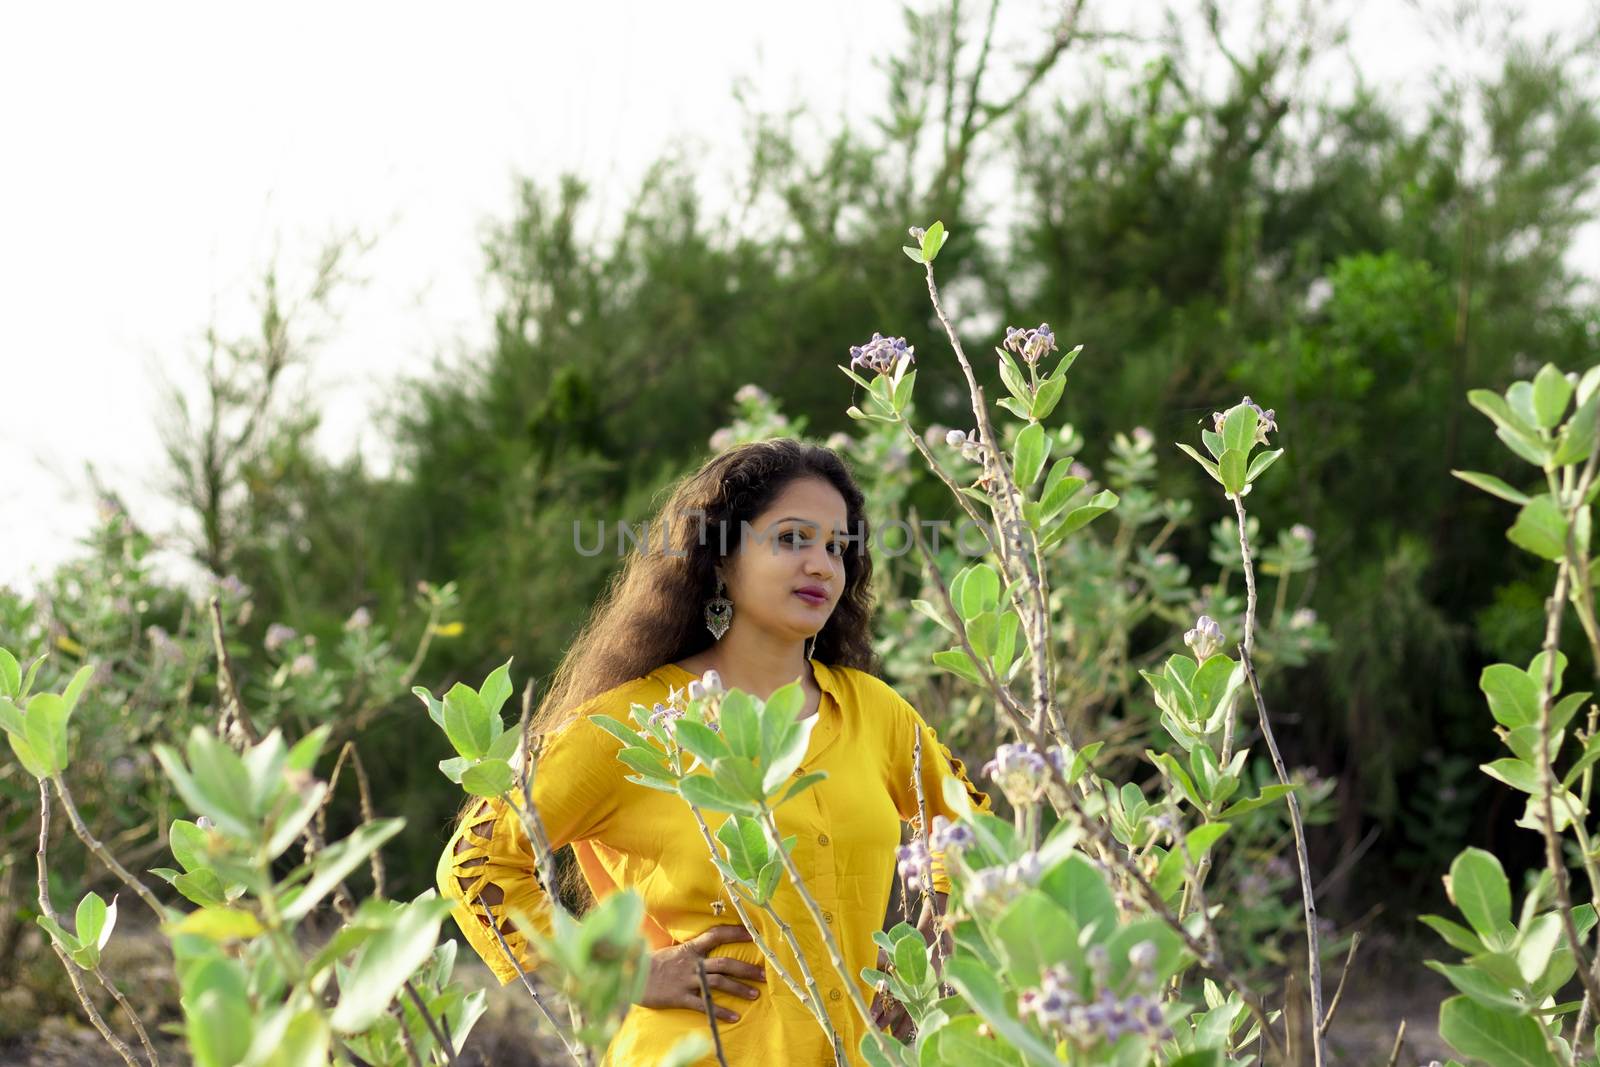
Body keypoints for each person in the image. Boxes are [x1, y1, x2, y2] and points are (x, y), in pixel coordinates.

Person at [436, 437, 991, 1065]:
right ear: (722, 558)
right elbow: (475, 864)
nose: (822, 566)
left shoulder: (873, 711)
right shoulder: (635, 721)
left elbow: (976, 833)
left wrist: (935, 942)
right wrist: (624, 973)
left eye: (837, 548)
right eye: (792, 539)